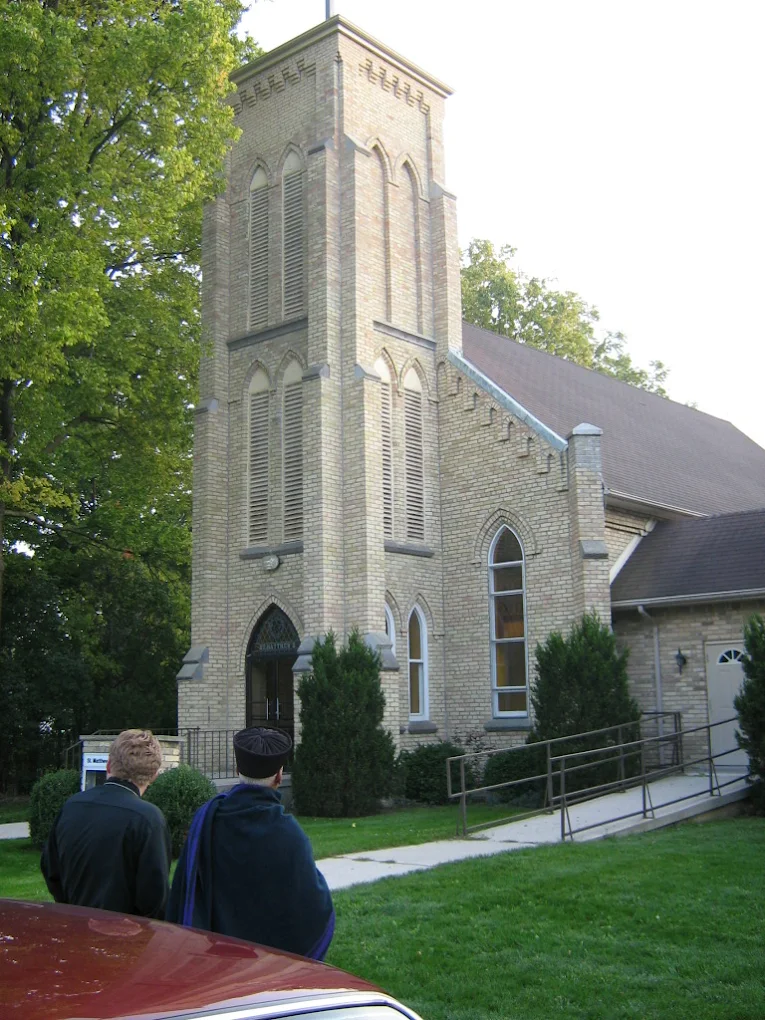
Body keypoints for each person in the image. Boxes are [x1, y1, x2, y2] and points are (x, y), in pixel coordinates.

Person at [166, 726, 334, 960]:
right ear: (278, 776)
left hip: (212, 955)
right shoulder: (288, 833)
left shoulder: (209, 818)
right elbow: (313, 905)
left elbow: (186, 886)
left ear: (237, 769)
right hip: (266, 962)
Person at [41, 729, 171, 919]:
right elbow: (154, 898)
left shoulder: (72, 806)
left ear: (109, 765)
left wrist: (72, 908)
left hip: (75, 926)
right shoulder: (148, 819)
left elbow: (51, 870)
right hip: (125, 937)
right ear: (154, 775)